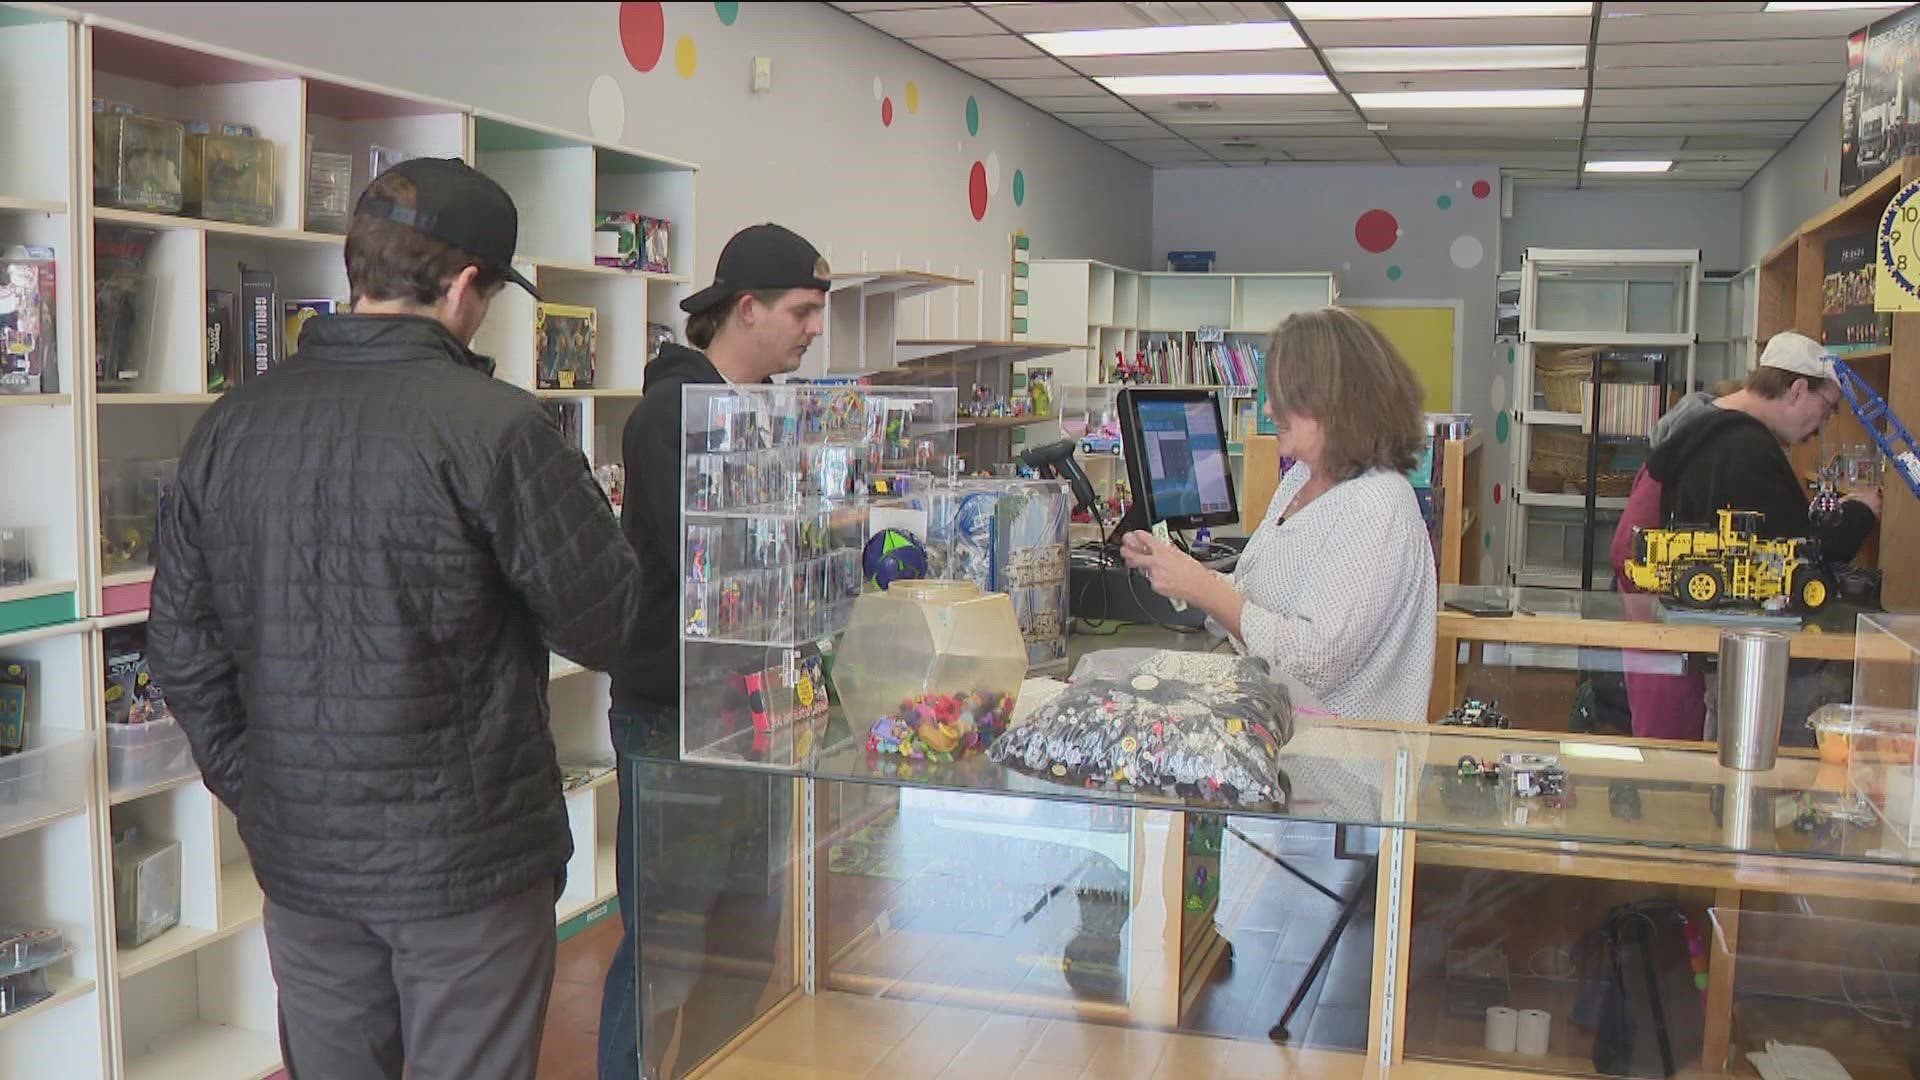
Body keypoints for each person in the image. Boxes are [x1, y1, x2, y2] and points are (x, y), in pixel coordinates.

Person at [148, 159, 651, 1080]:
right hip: (472, 864)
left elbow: (180, 650)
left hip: (302, 861)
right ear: (466, 286)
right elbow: (609, 622)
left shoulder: (230, 425)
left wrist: (262, 791)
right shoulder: (499, 427)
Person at [602, 223, 829, 1080]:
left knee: (744, 939)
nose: (814, 329)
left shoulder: (760, 410)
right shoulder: (672, 417)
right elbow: (721, 566)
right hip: (674, 718)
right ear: (747, 308)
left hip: (753, 712)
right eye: (803, 311)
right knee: (665, 946)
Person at [1120, 306, 1437, 723]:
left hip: (1339, 770)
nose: (1269, 410)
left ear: (1332, 400)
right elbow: (1257, 597)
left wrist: (1202, 588)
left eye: (1284, 396)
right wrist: (1177, 570)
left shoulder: (1378, 503)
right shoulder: (1300, 479)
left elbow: (1315, 660)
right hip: (1275, 736)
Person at [1643, 331, 1882, 743]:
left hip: (1728, 653)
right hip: (1765, 661)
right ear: (1797, 389)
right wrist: (1860, 512)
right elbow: (1804, 551)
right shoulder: (1746, 448)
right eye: (1826, 410)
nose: (1820, 426)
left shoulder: (1708, 430)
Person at [1607, 380, 1740, 740]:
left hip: (1660, 633)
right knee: (1665, 754)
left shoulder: (1674, 451)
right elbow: (1626, 550)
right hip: (1661, 637)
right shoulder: (1683, 464)